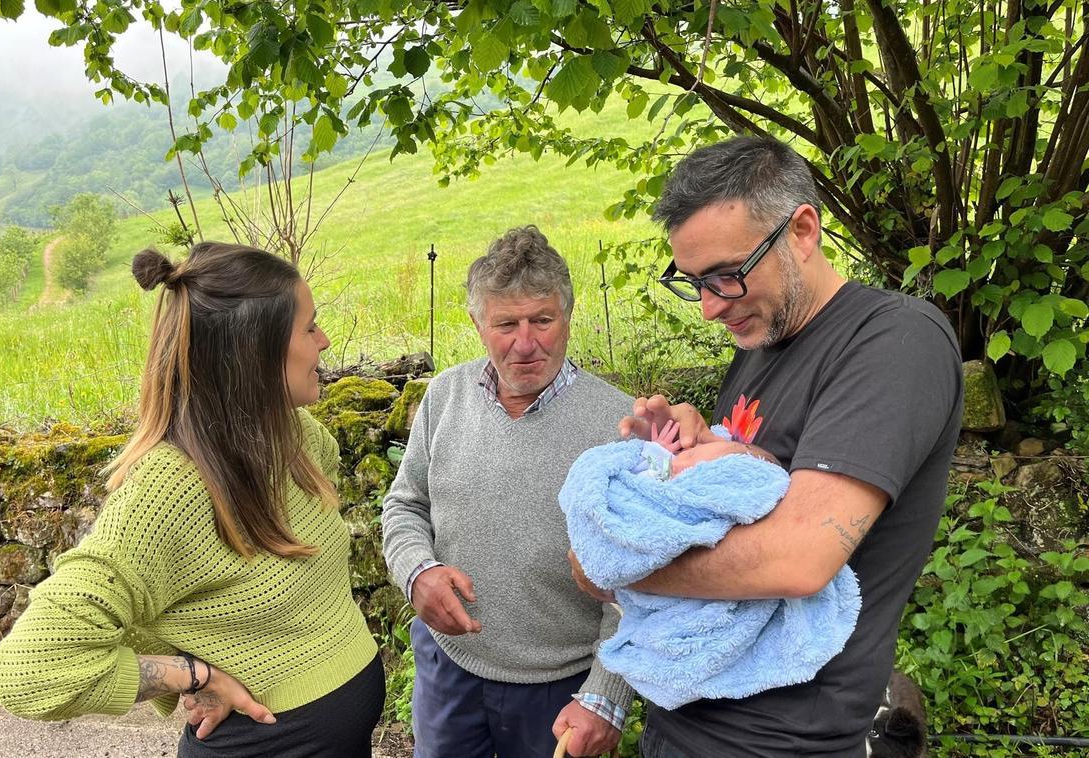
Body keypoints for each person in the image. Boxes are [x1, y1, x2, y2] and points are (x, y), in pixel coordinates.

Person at [569, 136, 963, 757]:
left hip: (783, 742)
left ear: (802, 230)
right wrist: (682, 457)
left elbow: (798, 558)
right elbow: (738, 491)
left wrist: (616, 563)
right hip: (685, 722)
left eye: (726, 275)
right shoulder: (761, 346)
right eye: (694, 282)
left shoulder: (894, 342)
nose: (708, 308)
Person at [0, 242, 384, 758]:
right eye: (309, 327)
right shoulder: (166, 491)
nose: (325, 341)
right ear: (254, 351)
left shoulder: (298, 437)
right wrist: (190, 673)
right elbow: (31, 672)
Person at [381, 225, 635, 758]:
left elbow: (642, 580)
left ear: (567, 316)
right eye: (506, 324)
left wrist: (606, 693)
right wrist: (416, 573)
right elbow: (406, 504)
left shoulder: (619, 424)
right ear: (477, 324)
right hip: (450, 665)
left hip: (561, 687)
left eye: (542, 320)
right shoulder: (445, 396)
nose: (526, 343)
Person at [560, 418, 860, 711]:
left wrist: (611, 570)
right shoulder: (662, 463)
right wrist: (661, 453)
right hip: (678, 727)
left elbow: (797, 560)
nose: (684, 455)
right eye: (684, 452)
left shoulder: (734, 473)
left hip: (771, 729)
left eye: (690, 453)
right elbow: (642, 485)